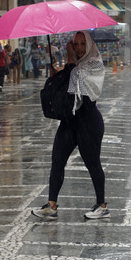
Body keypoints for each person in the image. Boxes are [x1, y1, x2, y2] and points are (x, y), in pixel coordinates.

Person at [32, 31, 110, 220]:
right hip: (70, 121)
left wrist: (67, 63)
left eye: (83, 44)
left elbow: (78, 80)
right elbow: (67, 88)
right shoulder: (73, 66)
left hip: (89, 122)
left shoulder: (94, 64)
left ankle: (101, 205)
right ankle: (51, 205)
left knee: (93, 164)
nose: (79, 48)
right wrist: (56, 76)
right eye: (75, 44)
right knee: (57, 161)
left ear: (89, 45)